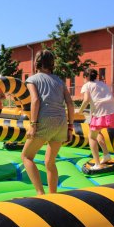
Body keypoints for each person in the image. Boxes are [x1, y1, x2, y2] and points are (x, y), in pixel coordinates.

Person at [21, 50, 74, 195]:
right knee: (50, 162)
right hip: (61, 122)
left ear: (36, 62)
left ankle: (40, 193)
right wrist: (70, 128)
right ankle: (53, 195)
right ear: (52, 64)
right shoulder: (59, 81)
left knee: (26, 157)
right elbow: (70, 104)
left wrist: (33, 125)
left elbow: (36, 100)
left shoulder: (33, 79)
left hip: (45, 120)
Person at [78, 68, 114, 170]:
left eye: (83, 77)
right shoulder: (102, 84)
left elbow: (86, 99)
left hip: (99, 114)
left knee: (91, 137)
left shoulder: (87, 85)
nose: (83, 80)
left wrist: (80, 111)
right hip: (110, 112)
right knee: (97, 133)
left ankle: (97, 164)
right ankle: (106, 155)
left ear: (86, 77)